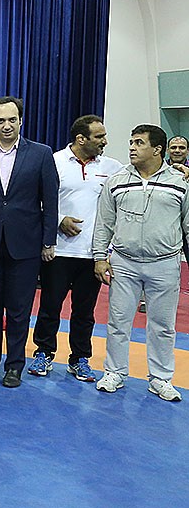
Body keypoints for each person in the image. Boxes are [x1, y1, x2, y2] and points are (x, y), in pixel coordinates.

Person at [0, 96, 58, 388]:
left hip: (26, 246)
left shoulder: (41, 154)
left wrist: (49, 241)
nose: (7, 125)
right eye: (1, 120)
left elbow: (50, 201)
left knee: (18, 311)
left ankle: (15, 365)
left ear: (21, 121)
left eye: (12, 120)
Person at [93, 125, 188, 402]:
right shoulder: (117, 180)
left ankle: (160, 378)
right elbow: (104, 222)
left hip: (165, 264)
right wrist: (99, 257)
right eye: (131, 142)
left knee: (163, 325)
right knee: (118, 322)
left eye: (139, 143)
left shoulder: (181, 182)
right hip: (124, 263)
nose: (132, 148)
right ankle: (114, 372)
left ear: (157, 149)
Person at [28, 116, 121, 382]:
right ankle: (43, 352)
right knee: (49, 307)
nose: (105, 141)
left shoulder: (113, 167)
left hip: (93, 255)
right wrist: (59, 220)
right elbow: (35, 200)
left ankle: (80, 358)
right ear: (81, 139)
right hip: (57, 251)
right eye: (99, 136)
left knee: (85, 311)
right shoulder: (54, 162)